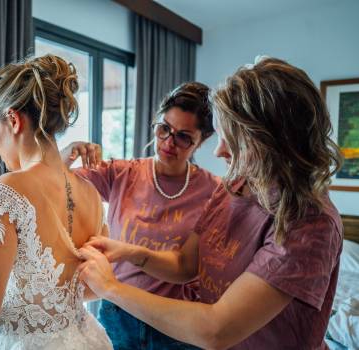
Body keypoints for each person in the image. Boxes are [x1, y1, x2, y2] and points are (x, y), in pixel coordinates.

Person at [77, 57, 344, 349]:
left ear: (270, 141)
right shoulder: (235, 186)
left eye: (232, 139)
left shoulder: (309, 222)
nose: (219, 151)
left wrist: (110, 288)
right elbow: (185, 264)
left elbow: (217, 330)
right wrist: (128, 252)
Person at [0, 54, 112, 350]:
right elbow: (90, 287)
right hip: (87, 340)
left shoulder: (7, 191)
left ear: (13, 120)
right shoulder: (90, 193)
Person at [62, 82, 220, 349]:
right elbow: (55, 185)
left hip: (177, 320)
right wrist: (66, 154)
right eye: (164, 129)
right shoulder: (120, 173)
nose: (169, 142)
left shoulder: (213, 192)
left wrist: (127, 251)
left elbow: (186, 267)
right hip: (118, 314)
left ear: (200, 141)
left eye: (183, 137)